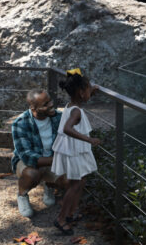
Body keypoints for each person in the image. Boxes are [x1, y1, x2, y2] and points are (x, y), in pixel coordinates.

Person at [52, 69, 100, 235]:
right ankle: (61, 218)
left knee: (81, 180)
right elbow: (67, 128)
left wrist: (91, 91)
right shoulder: (77, 111)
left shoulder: (72, 105)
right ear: (80, 92)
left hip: (72, 149)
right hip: (74, 150)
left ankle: (71, 213)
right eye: (87, 89)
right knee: (74, 185)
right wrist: (89, 140)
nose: (89, 92)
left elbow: (82, 100)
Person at [12, 89, 65, 218]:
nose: (51, 105)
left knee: (68, 179)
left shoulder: (59, 118)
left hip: (52, 159)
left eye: (50, 100)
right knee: (32, 174)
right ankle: (22, 195)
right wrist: (57, 160)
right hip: (27, 163)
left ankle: (49, 186)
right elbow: (27, 156)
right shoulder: (20, 123)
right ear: (33, 107)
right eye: (45, 104)